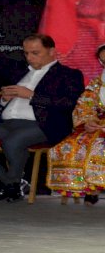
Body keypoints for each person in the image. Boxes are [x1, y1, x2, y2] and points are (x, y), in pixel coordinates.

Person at [0, 33, 85, 202]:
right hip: (7, 123)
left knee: (13, 141)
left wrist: (32, 95)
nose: (29, 57)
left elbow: (70, 103)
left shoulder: (68, 74)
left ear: (52, 51)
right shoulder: (18, 72)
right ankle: (9, 182)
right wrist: (4, 99)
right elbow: (0, 105)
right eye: (26, 53)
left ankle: (10, 183)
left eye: (35, 53)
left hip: (42, 124)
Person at [47, 43, 105, 205]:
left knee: (99, 145)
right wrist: (88, 121)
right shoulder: (97, 83)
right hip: (99, 125)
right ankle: (91, 187)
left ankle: (96, 185)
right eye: (103, 61)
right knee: (73, 144)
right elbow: (84, 105)